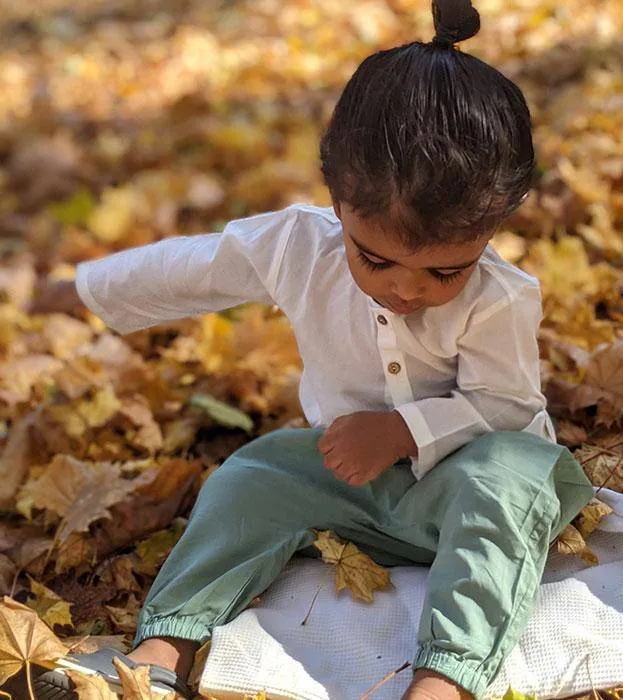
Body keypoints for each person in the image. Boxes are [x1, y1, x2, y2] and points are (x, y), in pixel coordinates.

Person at [33, 1, 594, 698]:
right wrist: (79, 290)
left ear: (493, 229)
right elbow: (188, 269)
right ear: (338, 203)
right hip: (348, 484)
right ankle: (161, 652)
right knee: (251, 472)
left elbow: (506, 405)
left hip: (469, 483)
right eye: (376, 259)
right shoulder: (297, 248)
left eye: (445, 272)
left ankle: (445, 679)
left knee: (512, 478)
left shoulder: (501, 297)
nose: (406, 290)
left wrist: (400, 431)